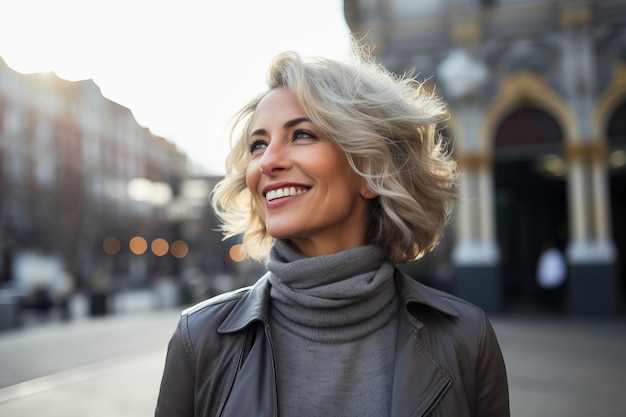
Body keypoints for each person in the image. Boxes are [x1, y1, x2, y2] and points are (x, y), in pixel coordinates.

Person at [155, 47, 509, 417]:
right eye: (258, 144)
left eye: (302, 135)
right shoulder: (200, 339)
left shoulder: (467, 339)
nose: (268, 161)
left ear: (371, 167)